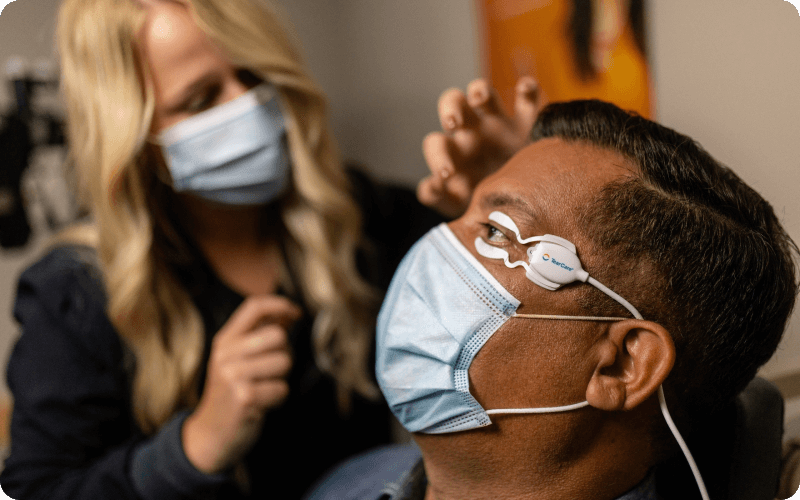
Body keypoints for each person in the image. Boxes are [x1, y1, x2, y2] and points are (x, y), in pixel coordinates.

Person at [0, 0, 539, 499]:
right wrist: (192, 445)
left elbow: (536, 328)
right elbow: (43, 487)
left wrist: (513, 195)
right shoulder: (73, 292)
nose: (250, 104)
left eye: (254, 73)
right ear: (133, 139)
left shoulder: (354, 214)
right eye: (201, 99)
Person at [305, 99, 799, 500]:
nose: (436, 246)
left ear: (622, 364)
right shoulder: (353, 481)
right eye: (463, 214)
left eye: (496, 233)